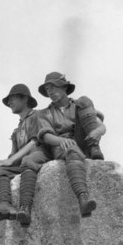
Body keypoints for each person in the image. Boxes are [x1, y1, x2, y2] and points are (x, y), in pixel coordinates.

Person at [32, 71, 102, 218]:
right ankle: (83, 198)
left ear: (64, 87)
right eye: (48, 89)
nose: (51, 92)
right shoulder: (43, 113)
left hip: (84, 141)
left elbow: (100, 124)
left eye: (54, 87)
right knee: (71, 149)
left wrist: (97, 132)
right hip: (62, 146)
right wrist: (62, 141)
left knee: (84, 100)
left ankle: (94, 148)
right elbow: (46, 136)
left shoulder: (79, 105)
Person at [0, 84, 45, 223]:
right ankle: (6, 205)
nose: (9, 103)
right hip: (22, 163)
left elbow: (34, 141)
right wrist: (3, 163)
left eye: (13, 99)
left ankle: (25, 207)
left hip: (39, 155)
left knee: (27, 159)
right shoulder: (16, 130)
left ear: (24, 99)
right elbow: (13, 156)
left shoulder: (37, 116)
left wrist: (10, 161)